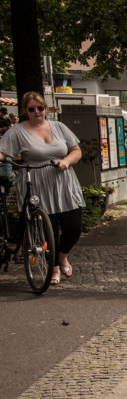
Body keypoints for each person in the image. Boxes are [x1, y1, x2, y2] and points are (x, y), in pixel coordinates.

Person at [0, 92, 85, 285]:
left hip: (63, 180)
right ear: (25, 111)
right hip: (36, 181)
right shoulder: (17, 132)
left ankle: (63, 256)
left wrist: (66, 161)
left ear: (45, 108)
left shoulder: (59, 127)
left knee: (74, 226)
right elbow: (3, 152)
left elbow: (76, 150)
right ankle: (53, 269)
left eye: (40, 108)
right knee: (49, 229)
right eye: (32, 109)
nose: (37, 112)